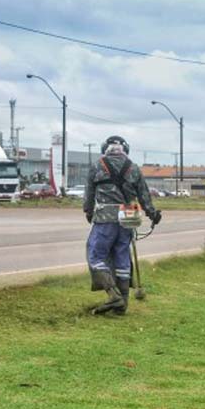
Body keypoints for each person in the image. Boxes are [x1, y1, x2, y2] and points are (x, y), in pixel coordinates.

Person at [84, 135, 161, 315]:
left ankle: (113, 295)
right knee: (122, 255)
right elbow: (144, 194)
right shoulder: (133, 167)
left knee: (95, 255)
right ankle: (123, 304)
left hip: (106, 216)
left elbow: (89, 194)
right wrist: (152, 213)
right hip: (129, 215)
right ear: (125, 150)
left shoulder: (97, 166)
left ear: (105, 149)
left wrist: (88, 212)